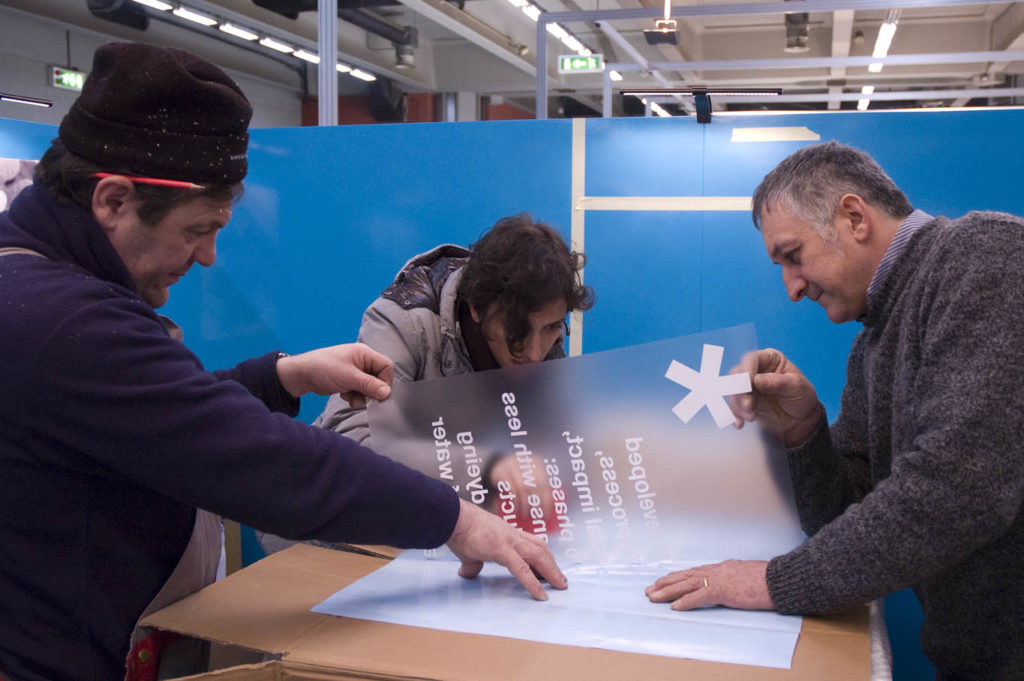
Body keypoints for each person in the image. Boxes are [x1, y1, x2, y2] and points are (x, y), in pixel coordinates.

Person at [0, 42, 566, 681]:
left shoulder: (36, 291)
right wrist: (457, 519)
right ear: (113, 200)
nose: (208, 257)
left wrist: (279, 378)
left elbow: (147, 414)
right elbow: (263, 461)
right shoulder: (63, 321)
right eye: (197, 230)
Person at [645, 141, 1024, 680]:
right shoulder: (872, 341)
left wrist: (770, 582)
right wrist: (803, 430)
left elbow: (963, 488)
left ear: (854, 217)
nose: (792, 288)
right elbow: (845, 516)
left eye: (793, 255)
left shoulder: (986, 256)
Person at [313, 213, 595, 443]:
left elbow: (559, 438)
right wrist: (487, 468)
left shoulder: (544, 339)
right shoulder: (402, 321)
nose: (534, 353)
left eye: (551, 328)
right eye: (516, 329)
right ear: (476, 307)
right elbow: (354, 442)